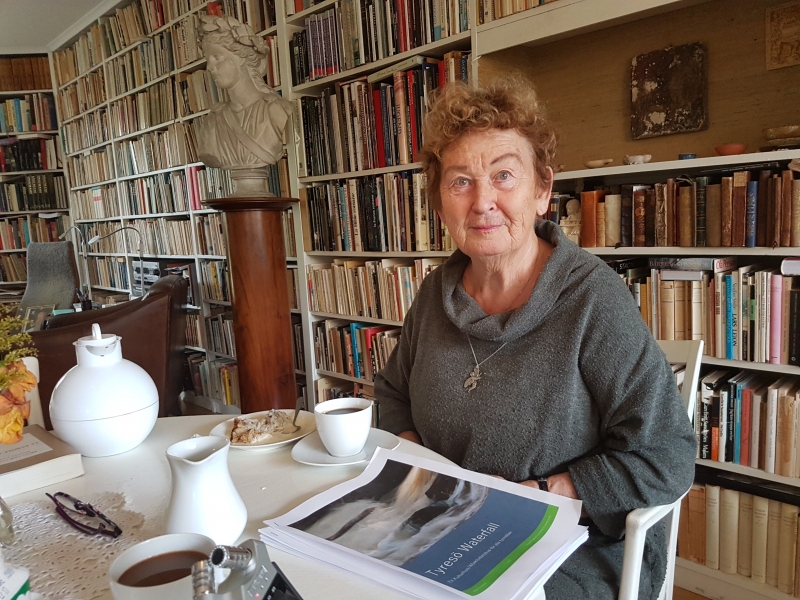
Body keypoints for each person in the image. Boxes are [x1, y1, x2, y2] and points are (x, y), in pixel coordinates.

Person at [375, 79, 695, 600]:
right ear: (439, 202)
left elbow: (666, 453)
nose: (483, 201)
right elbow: (392, 393)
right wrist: (418, 467)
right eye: (460, 182)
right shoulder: (435, 293)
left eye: (504, 175)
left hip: (569, 543)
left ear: (542, 190)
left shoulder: (592, 299)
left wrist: (551, 492)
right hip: (439, 525)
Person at [194, 15, 291, 171]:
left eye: (217, 57)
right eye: (208, 60)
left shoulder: (277, 110)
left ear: (240, 57)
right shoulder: (213, 120)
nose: (209, 68)